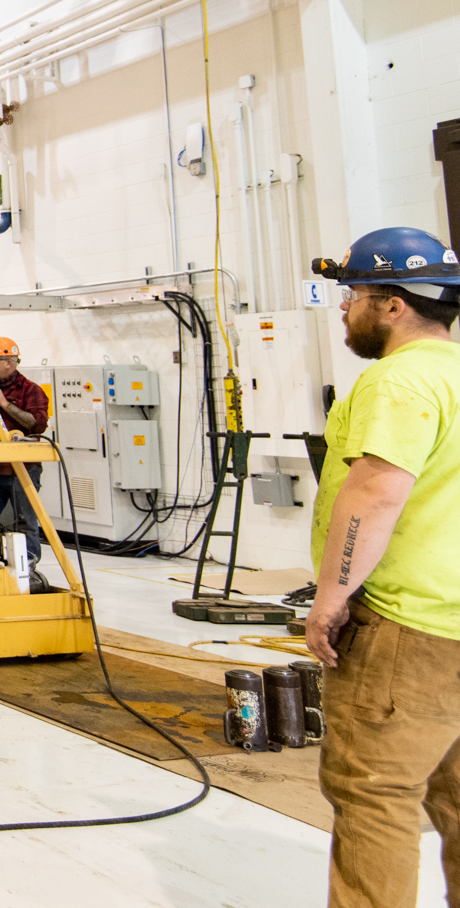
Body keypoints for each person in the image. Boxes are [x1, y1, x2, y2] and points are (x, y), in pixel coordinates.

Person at [303, 227, 460, 907]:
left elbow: (376, 493)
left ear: (394, 304)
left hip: (407, 629)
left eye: (354, 295)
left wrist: (331, 596)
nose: (343, 307)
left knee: (375, 795)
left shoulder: (399, 379)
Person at [0, 336, 50, 566]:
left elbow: (36, 423)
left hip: (23, 469)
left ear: (9, 363)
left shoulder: (31, 390)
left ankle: (29, 566)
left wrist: (3, 403)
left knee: (25, 521)